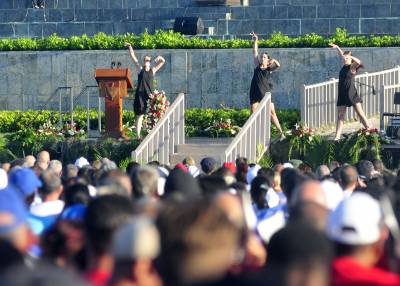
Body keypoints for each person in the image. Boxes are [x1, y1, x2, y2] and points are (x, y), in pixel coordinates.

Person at [330, 43, 371, 141]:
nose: (344, 59)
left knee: (360, 113)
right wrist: (337, 48)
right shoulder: (344, 66)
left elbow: (359, 61)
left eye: (346, 58)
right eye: (344, 58)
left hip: (351, 93)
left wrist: (350, 56)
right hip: (342, 94)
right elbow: (342, 55)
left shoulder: (352, 67)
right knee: (340, 116)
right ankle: (337, 136)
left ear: (350, 59)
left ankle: (369, 130)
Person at [126, 43, 166, 139]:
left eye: (147, 60)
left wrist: (159, 57)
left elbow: (162, 61)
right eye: (144, 60)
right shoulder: (140, 69)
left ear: (150, 62)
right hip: (140, 95)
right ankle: (138, 136)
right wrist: (130, 46)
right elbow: (133, 57)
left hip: (150, 96)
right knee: (139, 116)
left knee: (152, 115)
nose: (145, 61)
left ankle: (151, 134)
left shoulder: (153, 70)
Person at [250, 32, 285, 140]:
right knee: (253, 115)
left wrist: (273, 60)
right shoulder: (257, 65)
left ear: (267, 60)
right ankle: (255, 135)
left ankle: (281, 133)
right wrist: (256, 40)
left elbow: (278, 65)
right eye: (262, 56)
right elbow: (255, 51)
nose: (262, 57)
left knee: (272, 113)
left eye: (264, 57)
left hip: (265, 93)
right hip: (255, 92)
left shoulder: (269, 69)